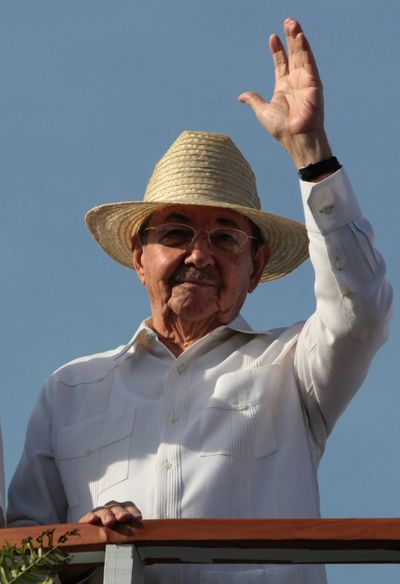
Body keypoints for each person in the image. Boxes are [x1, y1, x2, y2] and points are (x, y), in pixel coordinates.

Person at [7, 18, 392, 584]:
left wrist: (310, 151)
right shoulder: (69, 391)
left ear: (257, 267)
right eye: (177, 233)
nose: (199, 255)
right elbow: (21, 556)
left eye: (225, 238)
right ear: (140, 256)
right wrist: (80, 544)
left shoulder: (292, 369)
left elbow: (361, 311)